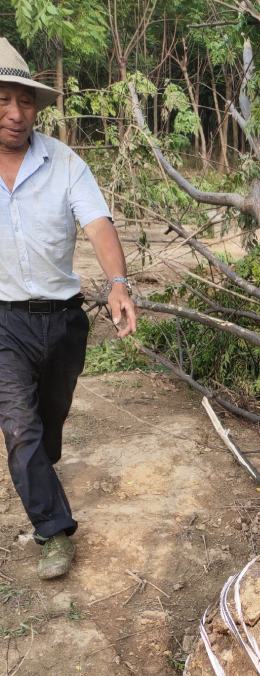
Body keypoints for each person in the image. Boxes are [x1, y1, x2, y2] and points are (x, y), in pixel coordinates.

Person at [0, 38, 137, 580]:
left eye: (25, 101)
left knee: (48, 418)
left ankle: (41, 466)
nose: (15, 114)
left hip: (62, 319)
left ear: (38, 106)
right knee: (19, 425)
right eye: (3, 99)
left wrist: (119, 283)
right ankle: (53, 530)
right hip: (3, 319)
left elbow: (98, 223)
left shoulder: (64, 161)